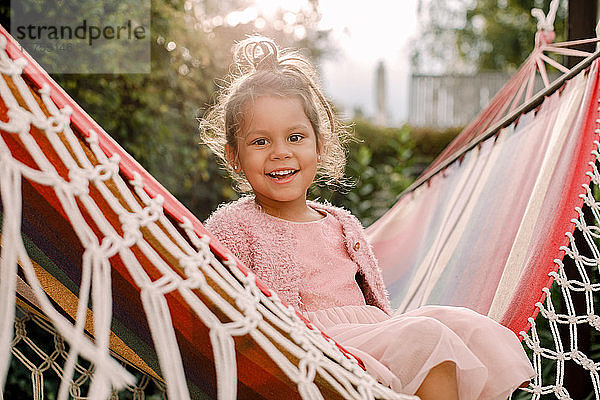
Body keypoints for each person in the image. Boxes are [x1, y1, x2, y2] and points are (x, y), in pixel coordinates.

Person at [200, 36, 535, 399]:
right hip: (308, 350)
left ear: (319, 144)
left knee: (461, 325)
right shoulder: (232, 226)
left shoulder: (342, 223)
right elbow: (207, 297)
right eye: (260, 142)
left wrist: (390, 330)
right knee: (425, 336)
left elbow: (374, 303)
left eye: (295, 137)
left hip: (371, 335)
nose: (281, 152)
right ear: (234, 156)